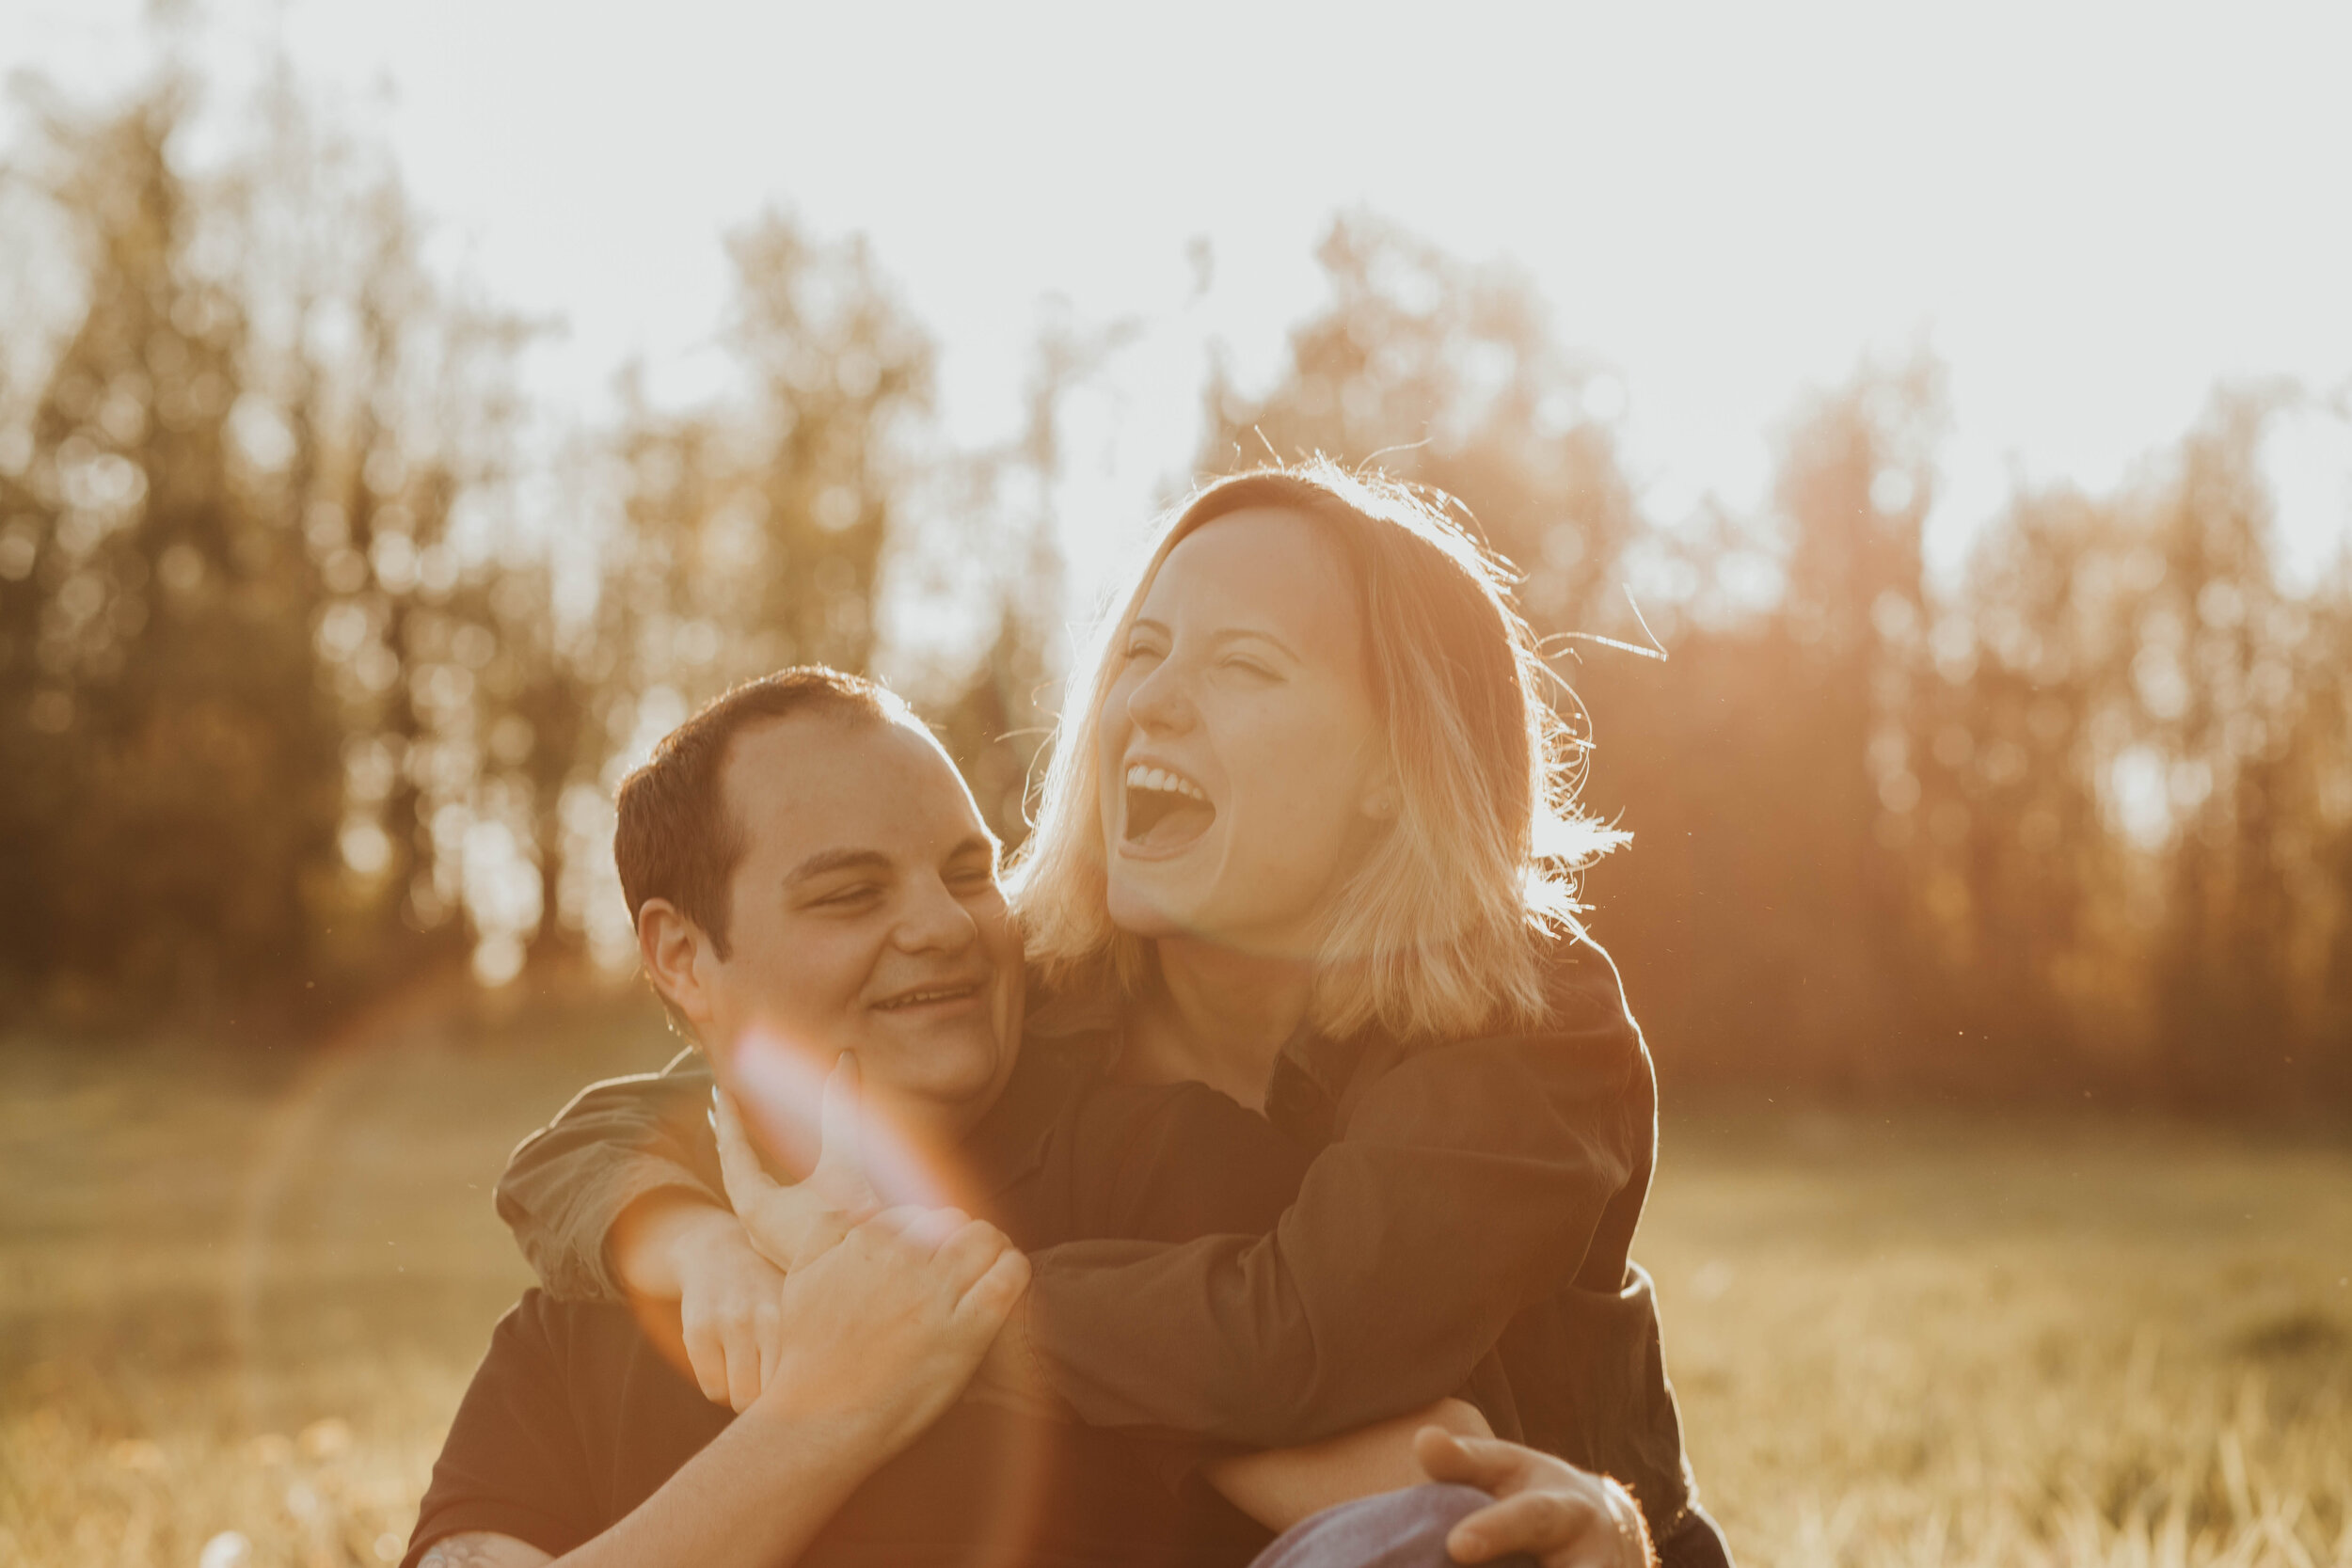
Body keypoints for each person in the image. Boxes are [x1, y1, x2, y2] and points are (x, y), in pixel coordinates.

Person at [496, 464, 1730, 1564]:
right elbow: (649, 1120)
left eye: (1242, 666)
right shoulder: (1047, 979)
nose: (1156, 702)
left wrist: (909, 1305)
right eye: (1141, 652)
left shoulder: (1528, 1021)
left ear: (1394, 769)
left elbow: (1301, 1343)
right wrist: (689, 1232)